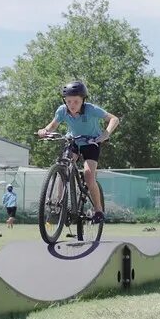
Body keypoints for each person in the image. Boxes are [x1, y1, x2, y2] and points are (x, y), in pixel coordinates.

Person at [37, 80, 119, 224]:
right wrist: (45, 131)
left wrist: (105, 134)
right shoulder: (62, 111)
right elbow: (53, 125)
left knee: (88, 175)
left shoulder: (91, 109)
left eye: (75, 101)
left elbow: (114, 119)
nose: (72, 105)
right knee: (63, 167)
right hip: (73, 141)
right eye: (68, 101)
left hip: (91, 143)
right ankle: (58, 206)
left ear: (83, 100)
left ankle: (99, 210)